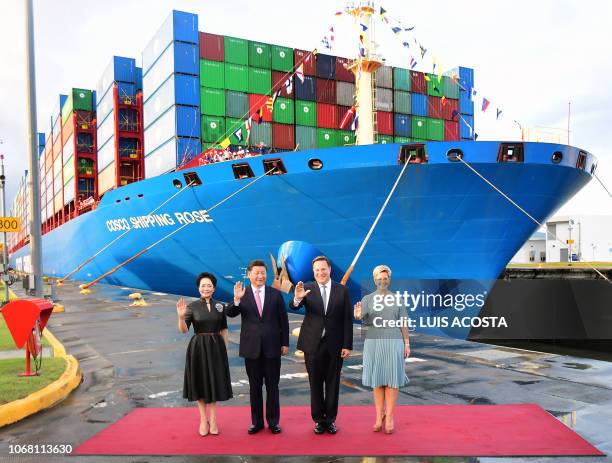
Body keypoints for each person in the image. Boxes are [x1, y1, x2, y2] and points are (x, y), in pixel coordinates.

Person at [289, 255, 353, 435]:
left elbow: (347, 319)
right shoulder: (306, 288)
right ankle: (318, 420)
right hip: (313, 344)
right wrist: (296, 298)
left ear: (329, 269)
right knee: (315, 383)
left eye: (323, 269)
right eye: (316, 270)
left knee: (333, 383)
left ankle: (330, 420)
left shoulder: (342, 290)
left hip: (335, 344)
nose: (320, 273)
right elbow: (293, 306)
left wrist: (347, 344)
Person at [226, 260, 289, 435]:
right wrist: (236, 300)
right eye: (256, 273)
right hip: (251, 348)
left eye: (263, 273)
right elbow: (230, 313)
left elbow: (283, 320)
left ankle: (273, 421)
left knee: (272, 387)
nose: (260, 276)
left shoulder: (275, 294)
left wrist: (285, 343)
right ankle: (257, 422)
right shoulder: (242, 294)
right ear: (249, 274)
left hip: (272, 347)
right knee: (254, 387)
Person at [354, 265, 410, 434]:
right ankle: (379, 416)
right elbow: (361, 317)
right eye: (379, 278)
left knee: (392, 380)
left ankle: (390, 416)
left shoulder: (397, 299)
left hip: (394, 341)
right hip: (373, 342)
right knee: (377, 380)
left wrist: (406, 343)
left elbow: (404, 322)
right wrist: (357, 315)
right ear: (374, 279)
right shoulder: (367, 299)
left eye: (385, 278)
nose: (382, 281)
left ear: (389, 280)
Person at [176, 272, 233, 437]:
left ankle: (214, 420)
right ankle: (203, 420)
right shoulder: (191, 307)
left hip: (216, 348)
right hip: (198, 348)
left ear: (214, 288)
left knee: (214, 384)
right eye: (203, 285)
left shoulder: (220, 306)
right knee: (200, 384)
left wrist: (225, 349)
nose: (206, 288)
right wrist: (180, 318)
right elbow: (183, 330)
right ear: (198, 288)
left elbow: (224, 329)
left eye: (209, 285)